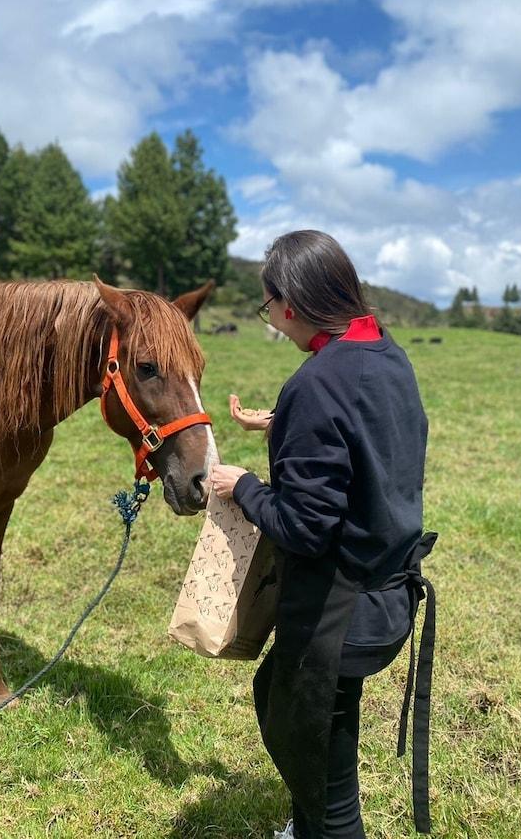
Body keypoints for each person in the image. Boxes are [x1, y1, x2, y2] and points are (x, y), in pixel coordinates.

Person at [210, 230, 437, 839]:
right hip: (387, 595)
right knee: (305, 714)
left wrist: (246, 486)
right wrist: (287, 422)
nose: (272, 320)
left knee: (331, 795)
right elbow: (363, 426)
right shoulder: (384, 351)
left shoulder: (314, 385)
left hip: (341, 615)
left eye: (267, 307)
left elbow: (304, 529)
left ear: (287, 306)